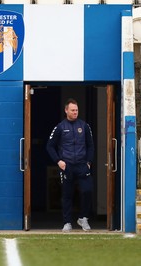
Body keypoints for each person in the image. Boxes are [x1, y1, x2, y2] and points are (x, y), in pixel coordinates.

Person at [46, 98, 94, 232]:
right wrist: (58, 161)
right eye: (72, 110)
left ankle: (83, 218)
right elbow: (50, 146)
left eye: (77, 110)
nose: (75, 112)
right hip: (67, 166)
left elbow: (91, 146)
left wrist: (89, 162)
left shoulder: (84, 126)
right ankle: (67, 222)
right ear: (66, 110)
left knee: (87, 190)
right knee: (67, 195)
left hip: (82, 165)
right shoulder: (60, 127)